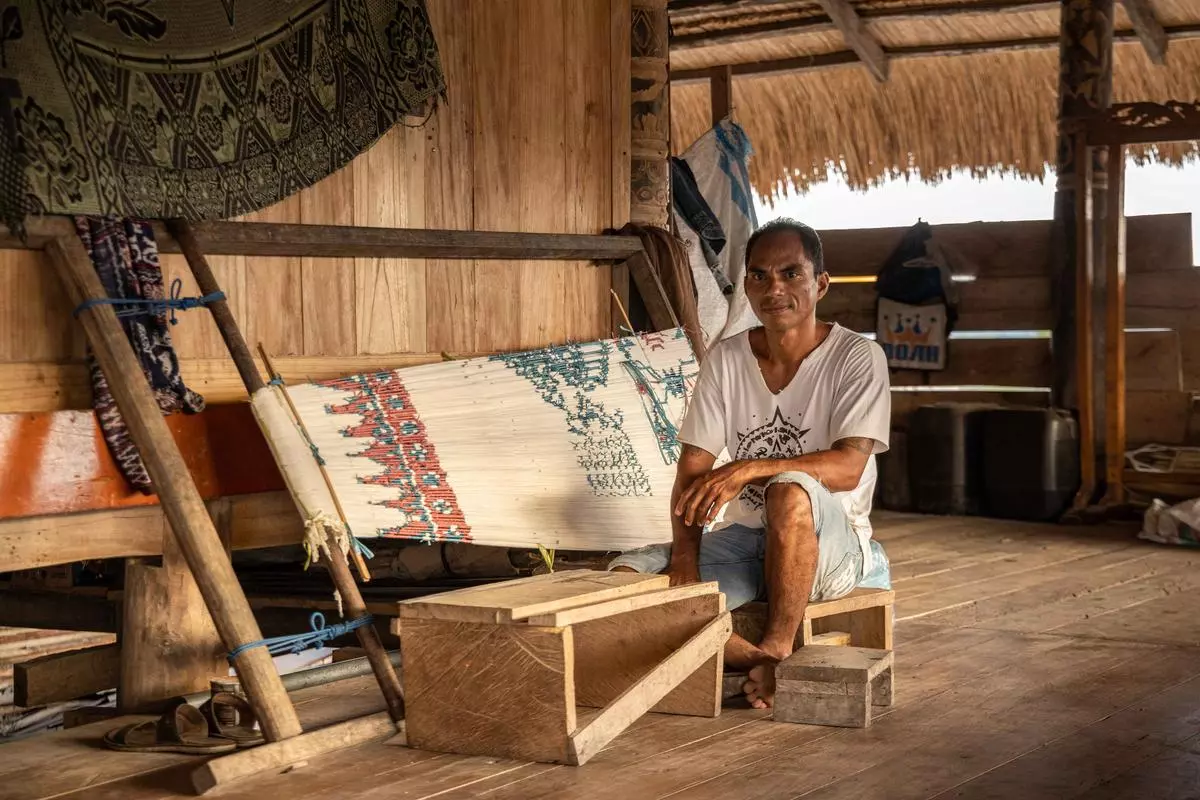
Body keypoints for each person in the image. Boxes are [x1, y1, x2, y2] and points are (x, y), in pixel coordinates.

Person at [609, 217, 892, 709]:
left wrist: (746, 468)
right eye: (759, 275)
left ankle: (779, 642)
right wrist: (684, 561)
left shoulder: (857, 357)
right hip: (749, 544)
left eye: (790, 274)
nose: (774, 288)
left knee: (788, 489)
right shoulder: (727, 359)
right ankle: (756, 659)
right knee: (625, 576)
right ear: (746, 285)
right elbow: (693, 470)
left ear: (820, 283)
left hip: (834, 549)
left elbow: (848, 467)